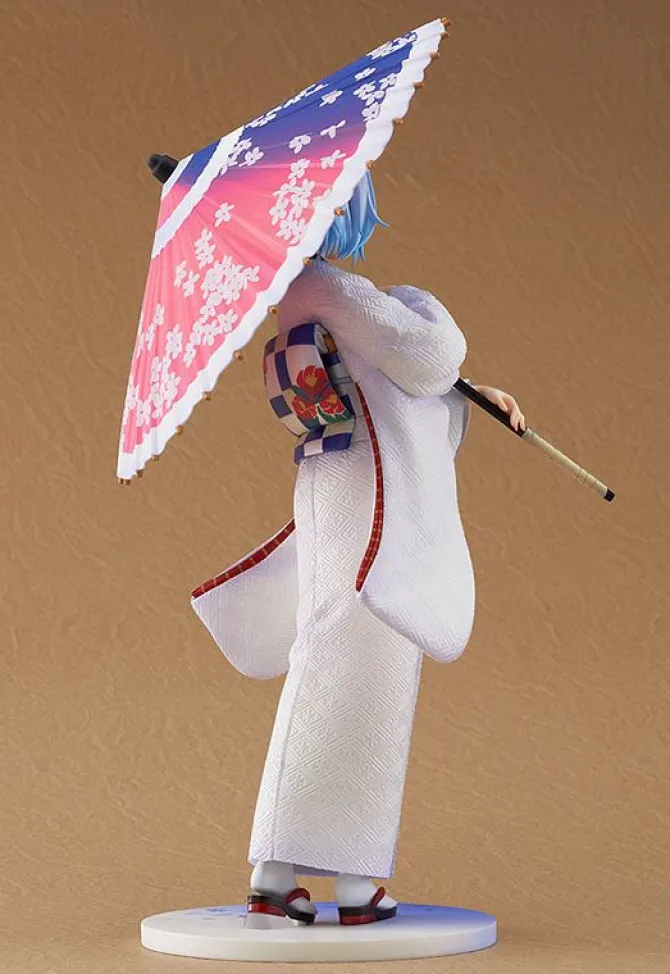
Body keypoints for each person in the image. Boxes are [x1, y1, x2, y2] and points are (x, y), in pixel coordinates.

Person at [191, 171, 525, 927]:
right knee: (365, 671)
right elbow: (427, 354)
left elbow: (401, 377)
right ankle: (351, 880)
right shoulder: (333, 289)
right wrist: (422, 303)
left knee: (333, 662)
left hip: (340, 487)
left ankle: (280, 874)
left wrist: (471, 392)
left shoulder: (301, 293)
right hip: (371, 499)